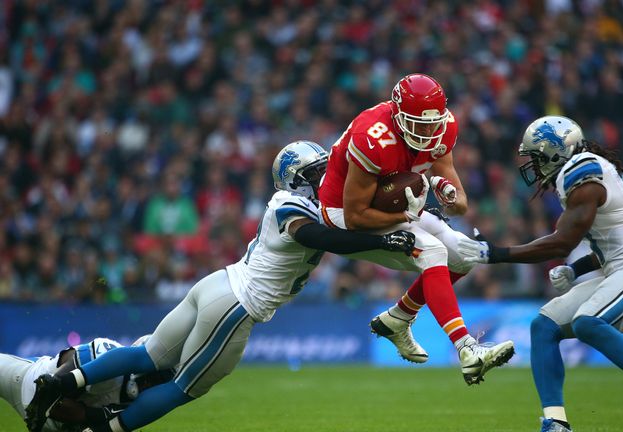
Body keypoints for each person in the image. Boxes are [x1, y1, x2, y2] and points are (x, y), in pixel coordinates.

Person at [25, 141, 417, 432]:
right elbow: (321, 238)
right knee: (183, 388)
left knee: (147, 356)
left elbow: (348, 223)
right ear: (297, 179)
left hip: (218, 286)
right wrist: (382, 241)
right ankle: (99, 427)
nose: (326, 177)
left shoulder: (310, 205)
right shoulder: (290, 205)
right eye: (317, 172)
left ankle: (59, 383)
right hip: (237, 305)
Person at [457, 116, 623, 432]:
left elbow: (563, 242)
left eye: (537, 156)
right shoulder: (585, 170)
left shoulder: (580, 170)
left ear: (557, 152)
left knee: (588, 321)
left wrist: (496, 253)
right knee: (544, 326)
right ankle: (556, 422)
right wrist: (576, 269)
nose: (533, 164)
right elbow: (613, 240)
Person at [318, 73, 515, 384]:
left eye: (431, 123)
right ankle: (467, 349)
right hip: (342, 211)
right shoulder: (372, 136)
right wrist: (408, 217)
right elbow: (355, 216)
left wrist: (449, 193)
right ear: (398, 115)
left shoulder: (444, 125)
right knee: (433, 251)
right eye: (418, 123)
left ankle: (398, 318)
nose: (426, 131)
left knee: (464, 255)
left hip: (396, 207)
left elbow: (461, 202)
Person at [0, 336, 172, 432]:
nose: (155, 384)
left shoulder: (146, 403)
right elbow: (48, 393)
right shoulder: (111, 358)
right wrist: (100, 415)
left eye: (163, 380)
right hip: (25, 381)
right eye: (157, 376)